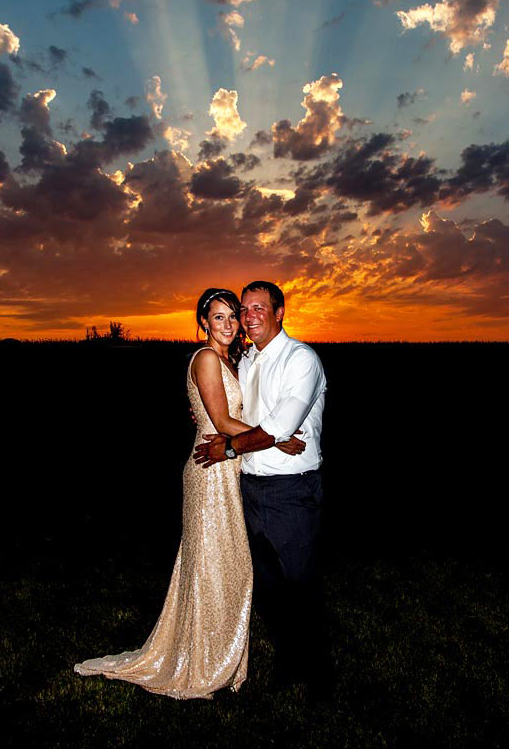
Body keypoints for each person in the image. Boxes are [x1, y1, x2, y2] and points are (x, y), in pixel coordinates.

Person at [74, 288, 304, 699]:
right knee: (211, 566)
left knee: (231, 566)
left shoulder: (233, 361)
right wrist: (276, 439)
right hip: (211, 472)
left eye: (233, 316)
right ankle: (200, 665)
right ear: (203, 324)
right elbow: (219, 419)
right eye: (218, 317)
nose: (229, 324)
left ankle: (223, 659)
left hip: (231, 467)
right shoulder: (206, 358)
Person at [194, 280, 330, 698]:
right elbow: (247, 418)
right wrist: (253, 442)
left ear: (280, 312)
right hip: (249, 488)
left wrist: (231, 446)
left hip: (291, 489)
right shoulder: (247, 358)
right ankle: (289, 664)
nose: (247, 317)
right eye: (243, 309)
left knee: (299, 583)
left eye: (257, 308)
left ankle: (318, 674)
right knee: (269, 589)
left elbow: (277, 426)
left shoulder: (300, 359)